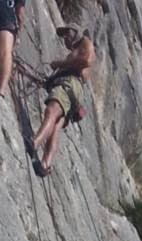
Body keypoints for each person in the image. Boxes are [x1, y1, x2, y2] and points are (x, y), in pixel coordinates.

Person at [29, 26, 95, 177]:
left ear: (75, 33)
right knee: (56, 125)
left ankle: (35, 142)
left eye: (67, 34)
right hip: (74, 90)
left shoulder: (86, 42)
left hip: (70, 84)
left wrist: (59, 64)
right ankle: (45, 164)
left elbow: (86, 61)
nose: (65, 38)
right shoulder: (77, 51)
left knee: (51, 111)